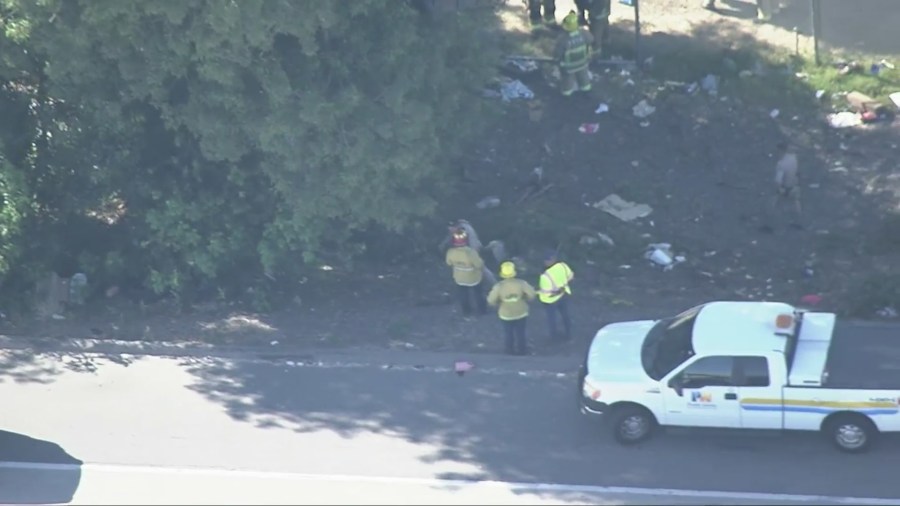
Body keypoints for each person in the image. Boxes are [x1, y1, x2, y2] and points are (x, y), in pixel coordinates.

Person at [487, 261, 537, 355]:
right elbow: (532, 294)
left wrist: (497, 304)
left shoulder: (499, 286)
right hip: (521, 312)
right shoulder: (521, 283)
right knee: (521, 333)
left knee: (508, 334)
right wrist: (526, 299)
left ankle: (509, 352)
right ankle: (522, 351)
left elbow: (491, 300)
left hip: (506, 314)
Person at [445, 227, 488, 316]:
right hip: (474, 277)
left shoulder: (451, 252)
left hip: (459, 278)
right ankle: (482, 310)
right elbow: (479, 264)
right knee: (478, 294)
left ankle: (466, 311)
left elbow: (449, 263)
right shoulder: (471, 252)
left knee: (463, 295)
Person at [554, 11, 594, 97]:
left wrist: (557, 61)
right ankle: (586, 92)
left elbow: (557, 54)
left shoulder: (563, 39)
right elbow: (591, 40)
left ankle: (566, 96)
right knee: (584, 78)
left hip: (569, 67)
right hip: (583, 63)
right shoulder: (584, 33)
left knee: (568, 81)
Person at [538, 250, 574, 341]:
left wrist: (538, 292)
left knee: (552, 319)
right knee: (565, 315)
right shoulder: (563, 266)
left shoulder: (545, 276)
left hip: (550, 301)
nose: (545, 262)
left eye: (546, 260)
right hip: (564, 294)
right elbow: (571, 276)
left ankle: (553, 337)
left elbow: (546, 292)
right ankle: (569, 334)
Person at [773, 142, 801, 216]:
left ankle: (772, 215)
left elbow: (778, 180)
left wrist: (779, 188)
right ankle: (799, 215)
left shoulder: (781, 164)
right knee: (795, 201)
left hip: (784, 188)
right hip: (794, 186)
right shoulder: (793, 157)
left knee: (776, 201)